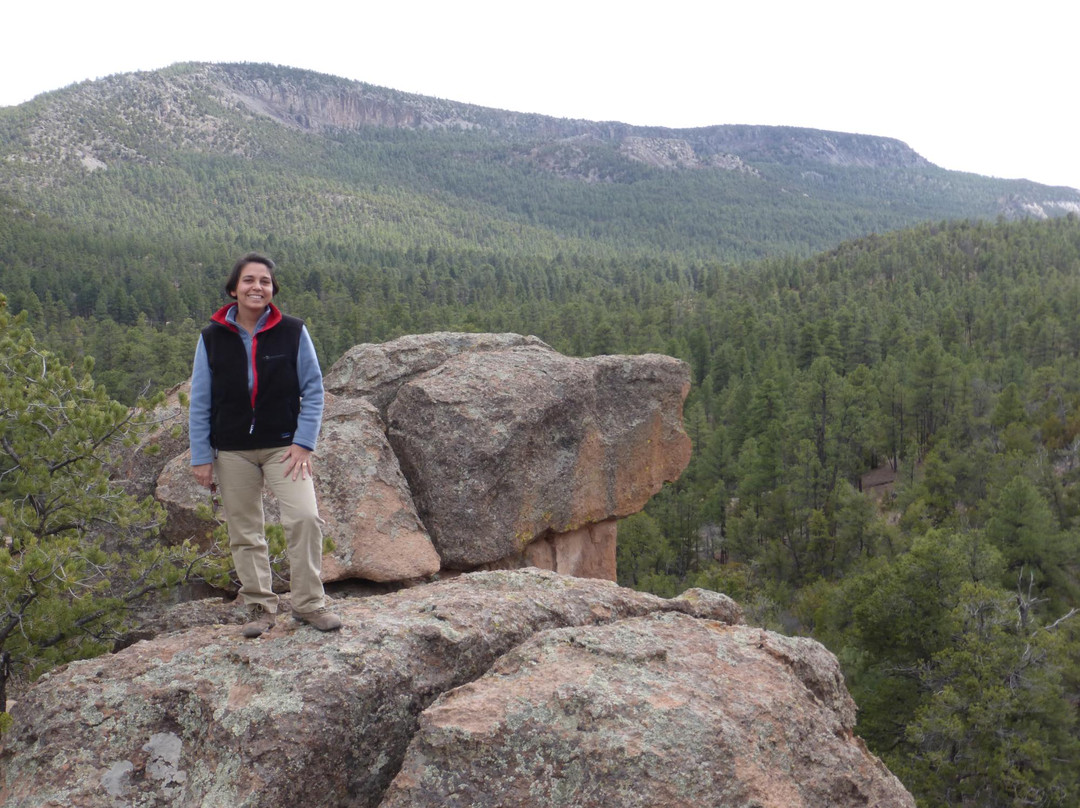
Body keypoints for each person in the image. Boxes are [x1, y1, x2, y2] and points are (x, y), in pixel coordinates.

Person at [189, 252, 341, 637]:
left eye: (265, 282)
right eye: (249, 280)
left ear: (272, 290)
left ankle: (309, 604)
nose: (257, 287)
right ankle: (259, 607)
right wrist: (201, 456)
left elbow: (314, 390)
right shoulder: (211, 338)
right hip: (233, 449)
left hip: (283, 447)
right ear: (233, 289)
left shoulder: (292, 331)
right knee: (244, 531)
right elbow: (201, 401)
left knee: (304, 518)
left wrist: (304, 443)